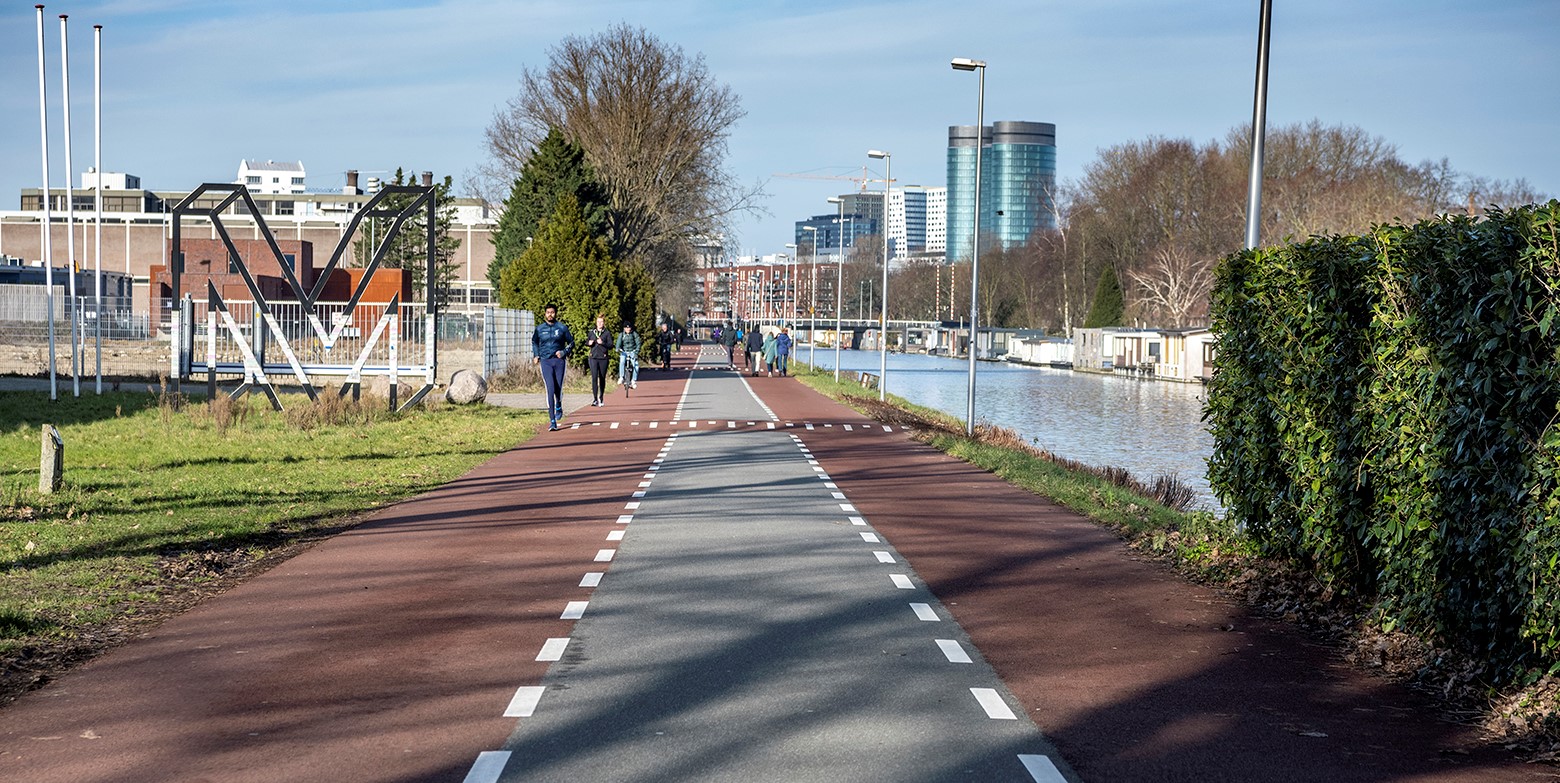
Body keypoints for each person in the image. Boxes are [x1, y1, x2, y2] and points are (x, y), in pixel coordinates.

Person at [532, 304, 574, 431]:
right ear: (545, 314)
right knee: (550, 388)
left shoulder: (561, 328)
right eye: (548, 312)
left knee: (558, 388)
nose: (550, 314)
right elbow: (534, 341)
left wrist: (564, 352)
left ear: (555, 314)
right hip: (546, 361)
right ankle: (552, 421)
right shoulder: (539, 329)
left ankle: (559, 404)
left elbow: (571, 342)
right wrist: (536, 355)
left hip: (559, 361)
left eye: (552, 312)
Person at [585, 313, 611, 407]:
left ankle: (601, 397)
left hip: (603, 358)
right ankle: (595, 399)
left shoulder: (607, 333)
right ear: (596, 323)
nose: (600, 323)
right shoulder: (592, 332)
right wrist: (589, 343)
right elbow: (586, 342)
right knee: (594, 378)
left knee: (602, 378)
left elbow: (610, 345)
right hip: (593, 358)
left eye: (601, 322)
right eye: (598, 322)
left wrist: (602, 343)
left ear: (604, 323)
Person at [615, 321, 641, 388]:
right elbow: (618, 342)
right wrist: (617, 348)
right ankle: (621, 377)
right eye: (626, 328)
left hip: (633, 351)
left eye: (629, 328)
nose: (628, 329)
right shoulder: (621, 335)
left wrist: (636, 352)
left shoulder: (634, 334)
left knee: (636, 366)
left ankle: (633, 381)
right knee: (622, 362)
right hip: (624, 351)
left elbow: (638, 343)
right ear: (624, 328)